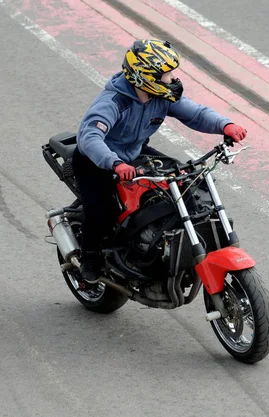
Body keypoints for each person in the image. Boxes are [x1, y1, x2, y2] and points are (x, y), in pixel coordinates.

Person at [72, 39, 247, 284]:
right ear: (145, 77)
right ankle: (89, 257)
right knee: (102, 211)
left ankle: (165, 246)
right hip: (97, 162)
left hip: (133, 154)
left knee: (183, 180)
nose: (173, 79)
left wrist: (224, 125)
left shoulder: (160, 96)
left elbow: (195, 114)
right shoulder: (113, 102)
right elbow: (89, 137)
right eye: (166, 75)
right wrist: (114, 163)